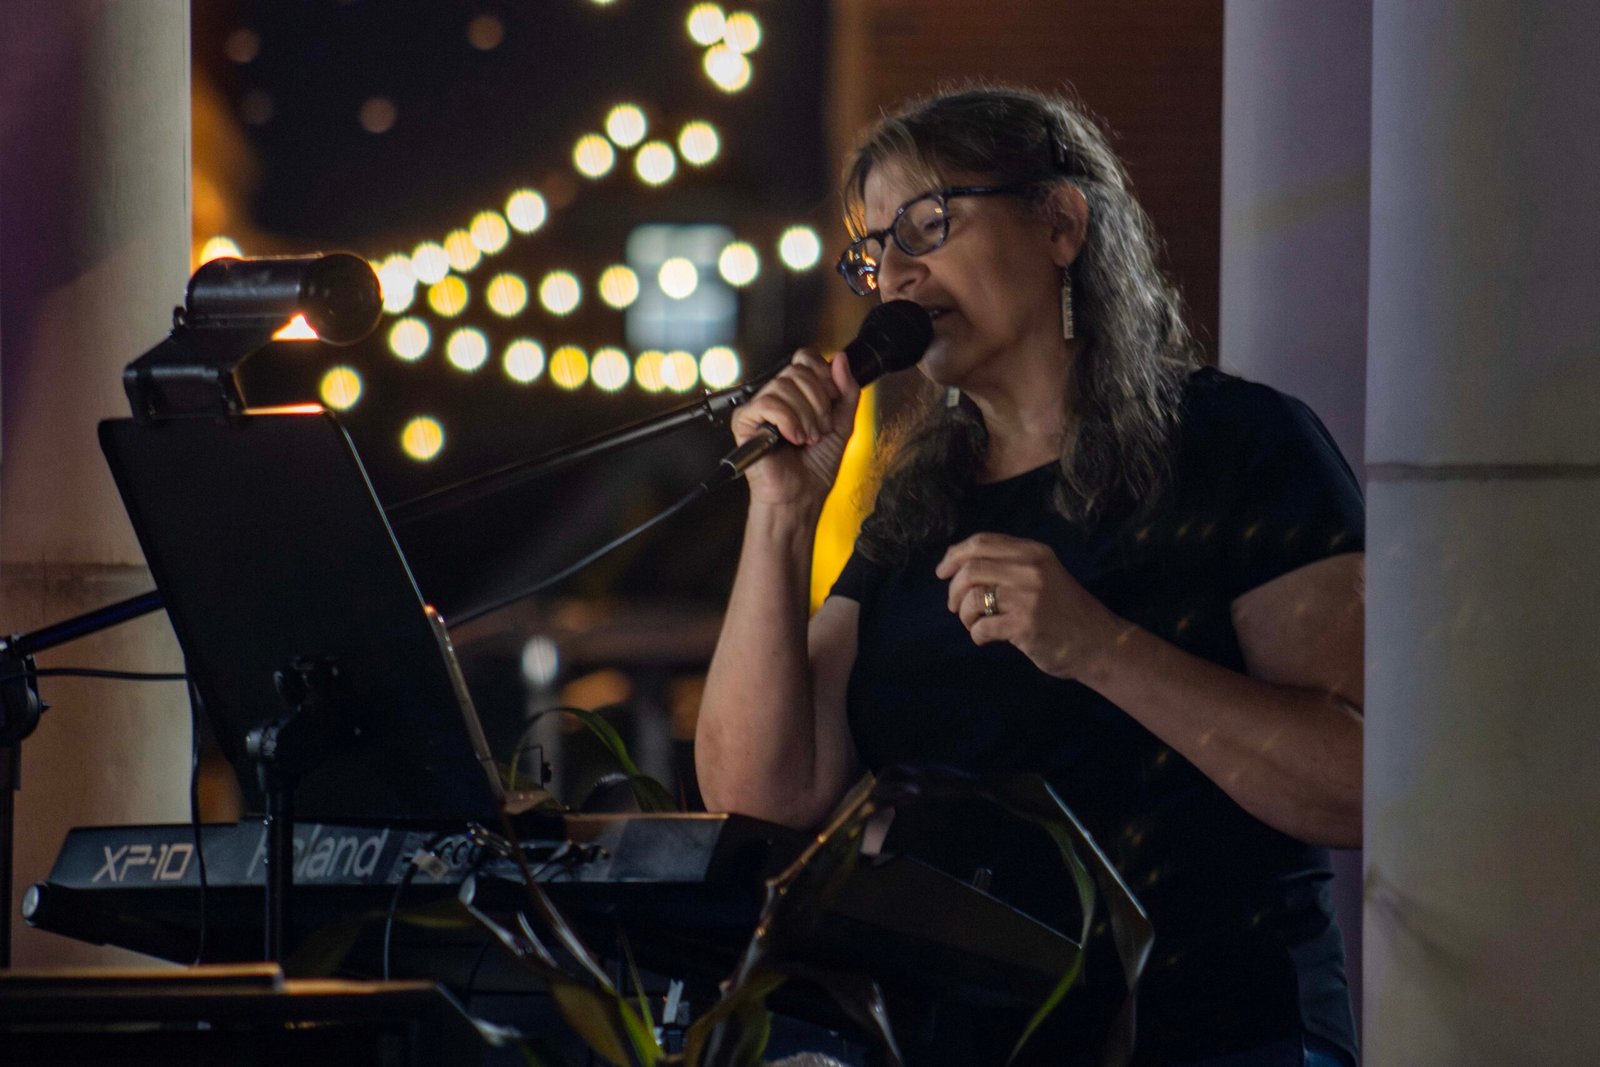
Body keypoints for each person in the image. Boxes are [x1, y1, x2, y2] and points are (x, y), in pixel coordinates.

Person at [694, 85, 1363, 1067]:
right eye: (874, 249)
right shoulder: (917, 505)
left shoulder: (1242, 443)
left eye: (928, 223)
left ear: (1059, 221)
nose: (895, 272)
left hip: (1218, 1031)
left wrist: (1098, 647)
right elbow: (762, 794)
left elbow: (1355, 783)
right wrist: (781, 513)